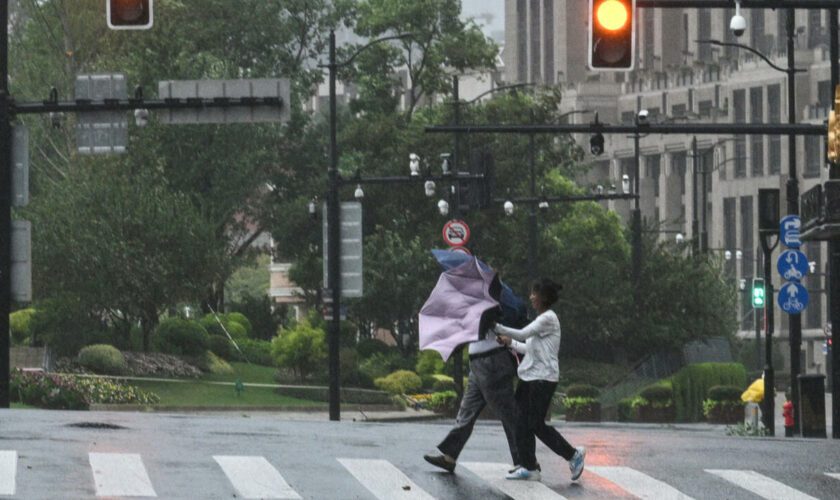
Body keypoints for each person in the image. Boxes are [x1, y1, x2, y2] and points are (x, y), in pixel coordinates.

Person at [494, 278, 585, 482]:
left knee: (535, 424)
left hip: (543, 379)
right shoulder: (541, 320)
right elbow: (529, 348)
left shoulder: (548, 319)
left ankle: (573, 455)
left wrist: (498, 326)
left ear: (544, 297)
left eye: (534, 293)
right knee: (519, 421)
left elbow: (523, 333)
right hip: (530, 377)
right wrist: (510, 343)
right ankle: (529, 467)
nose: (531, 297)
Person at [423, 318, 523, 474]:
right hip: (477, 363)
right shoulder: (476, 305)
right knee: (466, 411)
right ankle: (450, 456)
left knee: (507, 412)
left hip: (493, 361)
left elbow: (485, 328)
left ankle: (525, 460)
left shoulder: (494, 302)